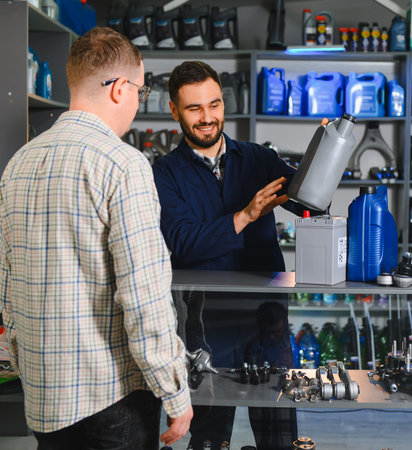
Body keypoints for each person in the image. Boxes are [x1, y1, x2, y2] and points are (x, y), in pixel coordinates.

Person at [0, 27, 192, 450]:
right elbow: (144, 297)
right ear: (121, 88)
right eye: (141, 94)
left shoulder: (18, 164)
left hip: (44, 397)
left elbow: (7, 285)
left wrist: (21, 360)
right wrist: (174, 390)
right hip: (110, 400)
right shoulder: (124, 164)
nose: (138, 106)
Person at [152, 61, 325, 450]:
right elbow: (182, 242)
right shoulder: (163, 173)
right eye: (194, 108)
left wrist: (323, 157)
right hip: (206, 320)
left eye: (214, 104)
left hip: (268, 316)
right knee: (211, 432)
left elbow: (308, 203)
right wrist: (246, 216)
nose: (208, 117)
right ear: (174, 111)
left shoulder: (259, 160)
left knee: (278, 426)